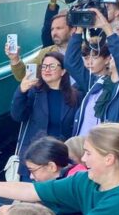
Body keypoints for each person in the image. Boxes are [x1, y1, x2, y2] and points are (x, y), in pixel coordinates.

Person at [65, 10, 119, 136]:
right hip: (84, 147)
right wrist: (79, 30)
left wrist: (107, 28)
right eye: (115, 56)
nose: (118, 58)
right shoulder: (97, 82)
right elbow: (71, 63)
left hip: (107, 151)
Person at [10, 52, 80, 180]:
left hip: (60, 160)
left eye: (52, 66)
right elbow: (17, 115)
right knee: (29, 196)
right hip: (33, 159)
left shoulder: (75, 96)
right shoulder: (34, 92)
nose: (47, 70)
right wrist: (21, 91)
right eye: (44, 66)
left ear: (63, 71)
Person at [9, 0, 72, 82]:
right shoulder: (46, 53)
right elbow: (22, 75)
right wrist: (14, 58)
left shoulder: (87, 51)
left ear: (73, 30)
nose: (54, 32)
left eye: (59, 28)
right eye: (52, 29)